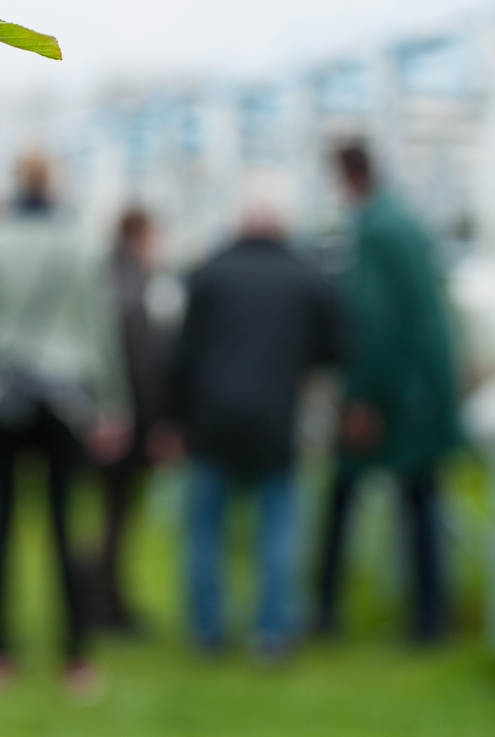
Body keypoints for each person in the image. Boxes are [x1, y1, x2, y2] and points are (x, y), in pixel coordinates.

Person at [0, 152, 129, 695]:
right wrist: (113, 401)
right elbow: (100, 329)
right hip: (65, 400)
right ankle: (75, 656)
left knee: (0, 526)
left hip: (4, 395)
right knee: (62, 528)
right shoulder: (81, 243)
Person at [159, 173, 340, 661]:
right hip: (276, 417)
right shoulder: (306, 274)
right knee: (278, 528)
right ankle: (273, 633)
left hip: (212, 418)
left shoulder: (210, 271)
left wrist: (172, 419)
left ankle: (208, 632)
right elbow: (331, 349)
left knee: (205, 530)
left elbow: (184, 354)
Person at [314, 138, 460, 644]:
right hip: (422, 386)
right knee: (420, 499)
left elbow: (371, 320)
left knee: (344, 494)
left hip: (393, 392)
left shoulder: (374, 229)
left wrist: (361, 398)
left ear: (347, 176)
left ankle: (327, 611)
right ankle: (430, 618)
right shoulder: (404, 220)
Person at [90, 208, 170, 633]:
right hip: (125, 425)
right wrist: (155, 423)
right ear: (140, 235)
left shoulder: (106, 281)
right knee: (117, 516)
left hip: (107, 420)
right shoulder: (133, 289)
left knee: (110, 515)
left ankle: (107, 600)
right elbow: (143, 365)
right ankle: (107, 605)